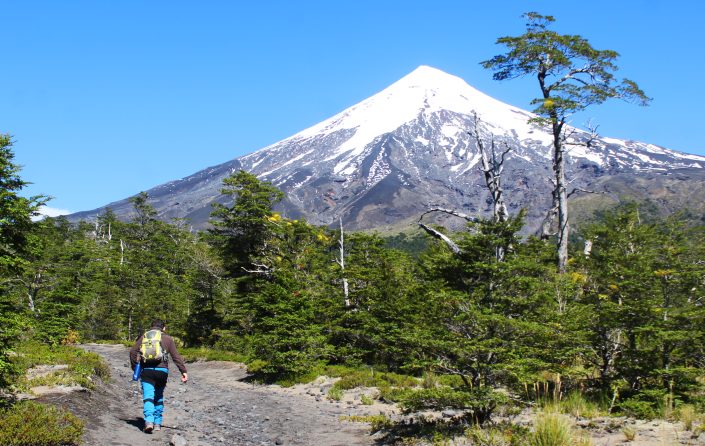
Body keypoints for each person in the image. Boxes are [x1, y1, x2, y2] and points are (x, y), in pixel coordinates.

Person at [129, 319, 188, 433]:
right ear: (164, 328)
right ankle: (157, 424)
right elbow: (176, 357)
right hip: (162, 372)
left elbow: (132, 351)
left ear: (151, 327)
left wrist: (135, 366)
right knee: (159, 397)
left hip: (147, 371)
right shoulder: (168, 339)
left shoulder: (144, 336)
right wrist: (183, 371)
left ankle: (149, 421)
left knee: (148, 397)